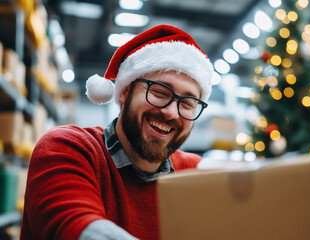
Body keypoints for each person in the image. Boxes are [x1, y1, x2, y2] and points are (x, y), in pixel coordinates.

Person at [20, 25, 214, 240]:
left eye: (187, 103)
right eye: (159, 92)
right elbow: (76, 229)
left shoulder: (196, 174)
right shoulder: (67, 148)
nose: (170, 112)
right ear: (124, 92)